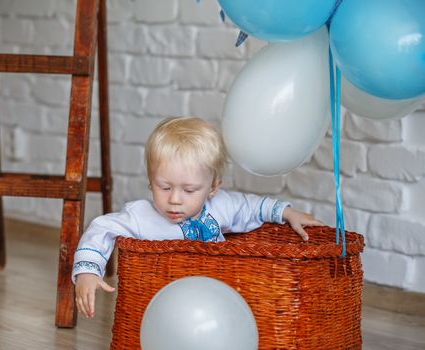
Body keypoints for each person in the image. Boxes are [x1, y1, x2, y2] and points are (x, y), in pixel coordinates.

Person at [73, 116, 323, 318]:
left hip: (218, 299)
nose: (175, 199)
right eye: (164, 187)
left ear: (212, 187)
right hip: (166, 304)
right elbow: (102, 228)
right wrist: (88, 272)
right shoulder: (141, 216)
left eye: (189, 190)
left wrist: (287, 212)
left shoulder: (220, 205)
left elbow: (251, 206)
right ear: (150, 182)